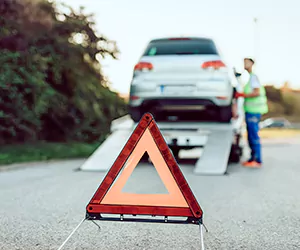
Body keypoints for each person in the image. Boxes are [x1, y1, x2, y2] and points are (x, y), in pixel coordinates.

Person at [235, 58, 268, 168]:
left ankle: (257, 160)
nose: (244, 64)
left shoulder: (254, 77)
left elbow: (256, 93)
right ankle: (252, 158)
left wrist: (242, 95)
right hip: (250, 111)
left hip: (254, 111)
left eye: (246, 62)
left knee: (253, 135)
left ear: (252, 64)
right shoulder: (250, 78)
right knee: (250, 135)